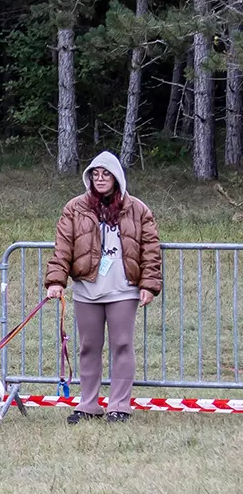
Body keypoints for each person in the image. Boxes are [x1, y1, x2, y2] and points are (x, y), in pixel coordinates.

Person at [44, 150, 161, 424]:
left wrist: (149, 285)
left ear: (116, 177)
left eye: (105, 174)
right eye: (95, 174)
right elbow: (62, 248)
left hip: (124, 289)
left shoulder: (139, 209)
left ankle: (120, 405)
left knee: (122, 344)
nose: (100, 179)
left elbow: (150, 250)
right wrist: (55, 281)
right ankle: (88, 404)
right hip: (87, 290)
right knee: (88, 346)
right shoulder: (74, 208)